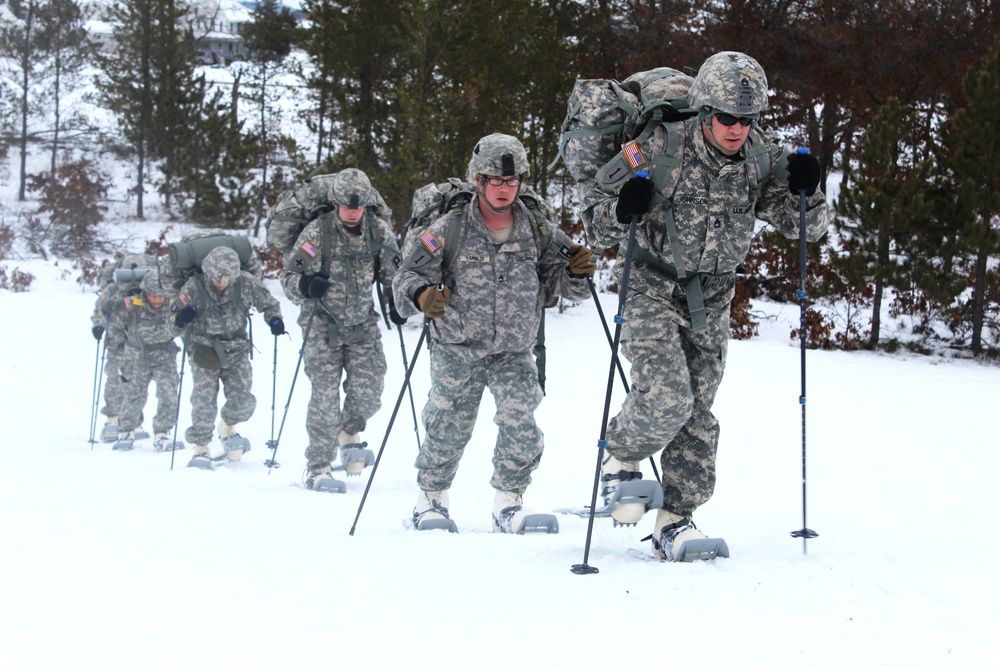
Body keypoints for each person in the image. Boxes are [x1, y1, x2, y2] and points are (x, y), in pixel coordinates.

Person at [580, 51, 830, 560]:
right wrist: (623, 207)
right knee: (668, 394)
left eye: (747, 119)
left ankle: (676, 519)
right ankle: (621, 460)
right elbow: (595, 221)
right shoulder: (657, 147)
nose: (736, 128)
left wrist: (809, 189)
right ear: (702, 111)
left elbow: (809, 229)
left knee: (698, 411)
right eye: (725, 117)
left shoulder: (760, 158)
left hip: (713, 296)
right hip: (652, 283)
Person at [392, 133, 595, 533]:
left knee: (521, 422)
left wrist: (578, 272)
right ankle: (430, 499)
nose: (505, 189)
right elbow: (406, 277)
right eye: (496, 181)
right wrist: (421, 295)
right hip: (457, 347)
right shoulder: (447, 228)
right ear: (479, 181)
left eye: (512, 180)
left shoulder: (537, 228)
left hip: (514, 349)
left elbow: (563, 286)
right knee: (447, 426)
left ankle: (509, 501)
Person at [279, 168, 402, 491]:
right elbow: (288, 277)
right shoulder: (316, 233)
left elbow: (394, 272)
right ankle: (318, 465)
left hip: (362, 324)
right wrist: (305, 284)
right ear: (334, 202)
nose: (352, 212)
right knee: (324, 397)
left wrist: (397, 301)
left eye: (358, 206)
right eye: (346, 206)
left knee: (370, 391)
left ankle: (349, 434)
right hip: (321, 324)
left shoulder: (378, 231)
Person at [173, 245, 284, 468]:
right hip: (204, 347)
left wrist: (274, 319)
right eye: (217, 279)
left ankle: (227, 426)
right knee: (204, 400)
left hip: (237, 348)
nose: (222, 284)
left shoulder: (244, 282)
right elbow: (171, 321)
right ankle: (201, 446)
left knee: (243, 401)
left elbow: (269, 303)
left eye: (226, 280)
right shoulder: (194, 286)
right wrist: (180, 318)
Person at [103, 268, 183, 452]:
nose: (156, 300)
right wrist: (106, 309)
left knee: (168, 394)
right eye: (152, 295)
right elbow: (112, 315)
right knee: (133, 395)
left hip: (165, 356)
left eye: (160, 296)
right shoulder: (133, 304)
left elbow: (182, 325)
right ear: (145, 292)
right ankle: (126, 431)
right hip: (137, 356)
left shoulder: (172, 305)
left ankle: (162, 433)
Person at [91, 254, 157, 443]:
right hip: (117, 340)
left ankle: (134, 420)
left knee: (135, 382)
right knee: (113, 378)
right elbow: (100, 308)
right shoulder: (113, 288)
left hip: (139, 341)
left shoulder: (148, 289)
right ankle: (112, 418)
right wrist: (98, 325)